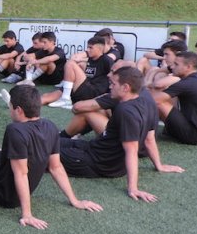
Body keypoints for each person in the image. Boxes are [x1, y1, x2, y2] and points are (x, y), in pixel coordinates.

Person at [0, 86, 102, 229]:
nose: (9, 109)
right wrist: (75, 200)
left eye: (10, 107)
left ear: (19, 110)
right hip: (1, 173)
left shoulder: (15, 130)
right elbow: (56, 167)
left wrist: (27, 214)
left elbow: (21, 173)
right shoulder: (50, 126)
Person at [58, 67, 184, 202]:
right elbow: (149, 138)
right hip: (94, 149)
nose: (110, 86)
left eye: (113, 84)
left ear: (125, 87)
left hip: (98, 163)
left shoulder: (126, 111)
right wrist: (159, 165)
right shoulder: (147, 98)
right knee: (51, 141)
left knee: (43, 151)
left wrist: (133, 188)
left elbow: (132, 150)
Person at [152, 51, 197, 145]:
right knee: (165, 95)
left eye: (176, 64)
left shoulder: (186, 84)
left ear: (188, 67)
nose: (172, 67)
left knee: (158, 102)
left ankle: (143, 132)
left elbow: (152, 100)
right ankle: (170, 129)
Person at [42, 36, 114, 109]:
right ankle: (32, 106)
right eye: (87, 47)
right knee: (46, 96)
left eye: (91, 48)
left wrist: (108, 95)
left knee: (70, 64)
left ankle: (66, 99)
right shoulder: (90, 59)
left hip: (93, 92)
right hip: (83, 89)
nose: (88, 50)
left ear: (99, 49)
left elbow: (114, 76)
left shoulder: (106, 60)